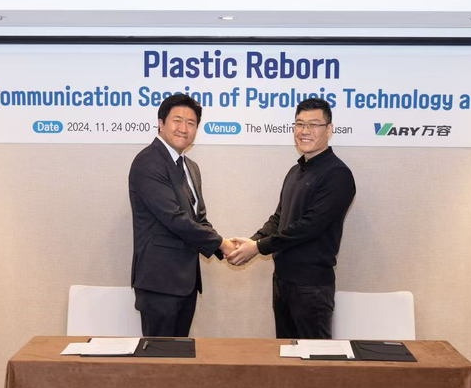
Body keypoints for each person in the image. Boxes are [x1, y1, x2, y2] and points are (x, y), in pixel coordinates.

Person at [228, 98, 356, 339]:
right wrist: (253, 241)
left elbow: (308, 227)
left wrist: (258, 247)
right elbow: (279, 218)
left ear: (329, 130)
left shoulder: (338, 175)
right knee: (286, 354)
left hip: (311, 288)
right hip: (283, 281)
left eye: (314, 124)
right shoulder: (295, 171)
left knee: (315, 358)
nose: (305, 131)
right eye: (299, 124)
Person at [129, 93, 237, 336]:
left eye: (191, 123)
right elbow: (174, 218)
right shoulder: (148, 162)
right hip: (159, 282)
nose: (184, 128)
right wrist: (222, 243)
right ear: (161, 123)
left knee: (179, 355)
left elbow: (199, 218)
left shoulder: (191, 168)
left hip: (185, 282)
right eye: (177, 120)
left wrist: (223, 248)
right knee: (160, 356)